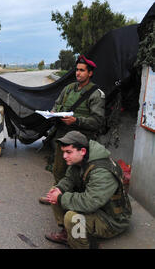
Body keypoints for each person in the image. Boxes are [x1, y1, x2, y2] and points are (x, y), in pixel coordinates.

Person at [44, 131, 132, 249]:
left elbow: (90, 202)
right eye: (64, 152)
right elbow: (69, 179)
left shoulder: (102, 171)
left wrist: (60, 198)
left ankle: (82, 245)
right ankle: (67, 233)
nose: (64, 156)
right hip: (98, 207)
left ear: (83, 151)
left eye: (68, 152)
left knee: (73, 218)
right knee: (55, 191)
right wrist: (59, 190)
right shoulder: (80, 159)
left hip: (112, 220)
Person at [39, 55, 106, 204]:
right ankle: (56, 196)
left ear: (90, 73)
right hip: (63, 136)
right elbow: (57, 105)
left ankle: (73, 202)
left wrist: (77, 121)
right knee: (58, 170)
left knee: (76, 174)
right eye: (77, 70)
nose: (78, 73)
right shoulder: (68, 89)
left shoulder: (96, 94)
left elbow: (98, 121)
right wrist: (53, 114)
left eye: (82, 70)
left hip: (81, 141)